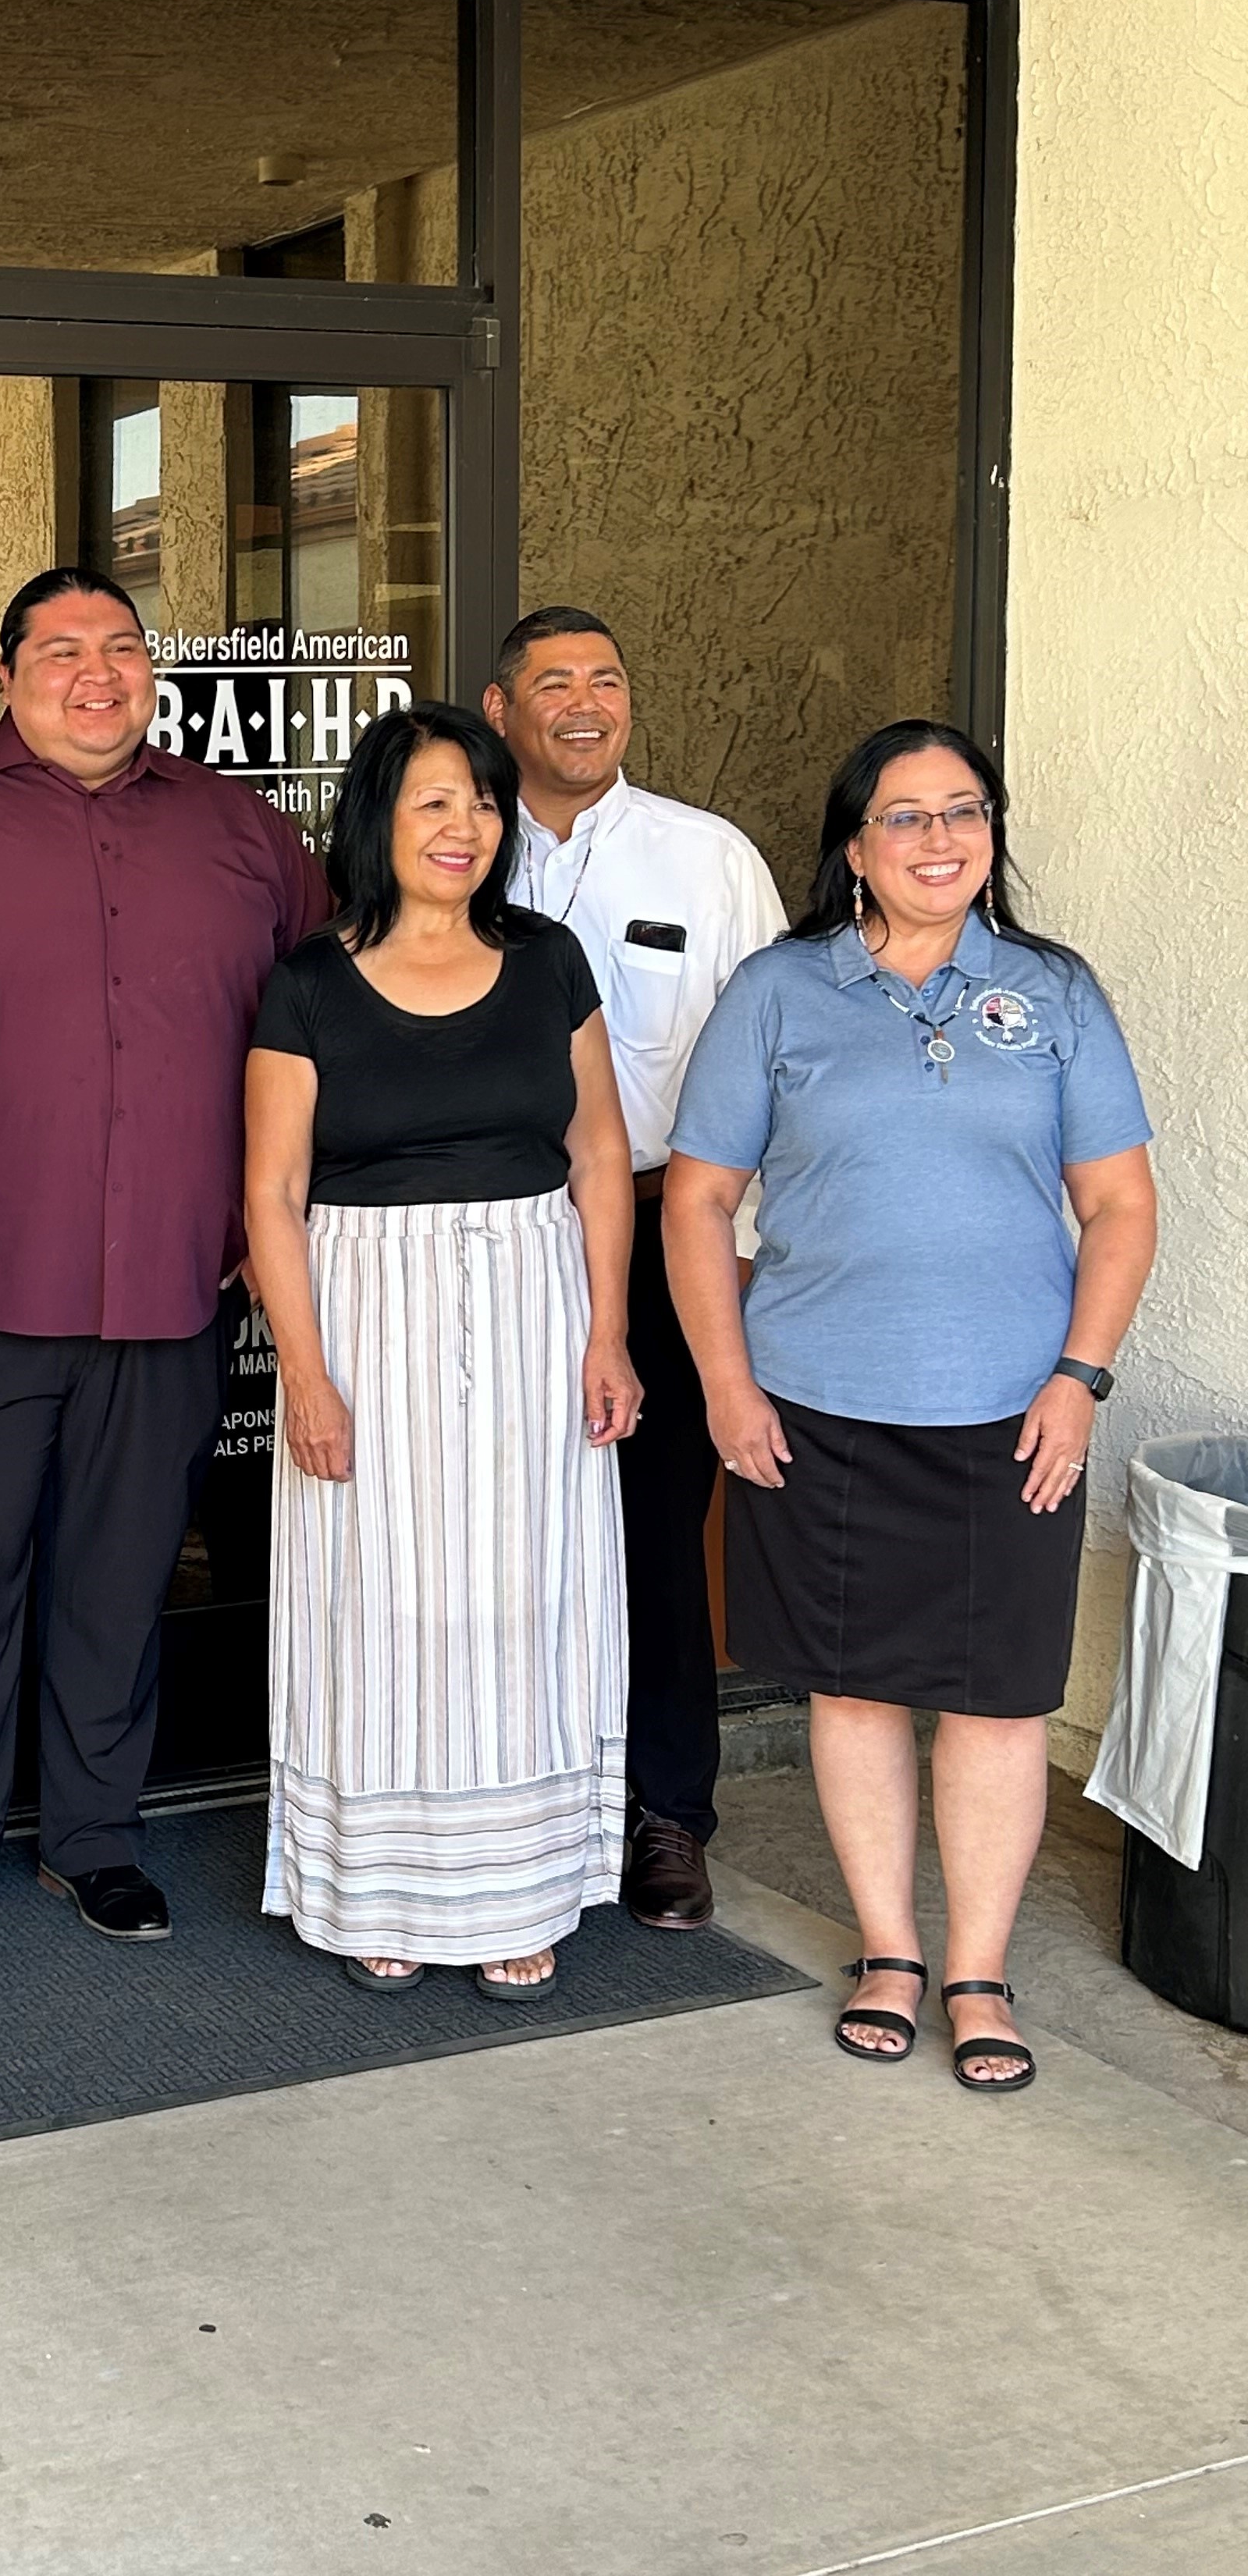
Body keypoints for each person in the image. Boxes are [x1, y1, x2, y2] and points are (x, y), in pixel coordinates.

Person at [0, 566, 328, 1967]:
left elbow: (321, 1036)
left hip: (171, 1284)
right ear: (8, 675)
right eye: (61, 651)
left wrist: (254, 1228)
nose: (96, 674)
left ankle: (96, 1841)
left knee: (120, 1579)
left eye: (121, 648)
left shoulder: (245, 836)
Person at [666, 720, 1157, 2092]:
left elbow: (1119, 1204)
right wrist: (725, 1381)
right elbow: (699, 1199)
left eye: (964, 812)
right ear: (853, 848)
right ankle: (889, 1950)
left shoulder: (1055, 993)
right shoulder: (779, 993)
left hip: (1013, 1412)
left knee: (998, 1702)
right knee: (857, 1688)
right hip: (816, 1404)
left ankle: (980, 1970)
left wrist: (1081, 1379)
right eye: (906, 817)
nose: (940, 840)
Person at [246, 702, 639, 1995]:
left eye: (479, 801)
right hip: (367, 1316)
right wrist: (305, 1373)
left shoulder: (549, 963)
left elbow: (596, 1156)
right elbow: (272, 1193)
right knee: (380, 1599)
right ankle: (385, 1892)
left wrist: (610, 1332)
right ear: (379, 821)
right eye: (432, 802)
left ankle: (516, 1888)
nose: (462, 826)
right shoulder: (306, 982)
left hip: (534, 1309)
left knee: (527, 1593)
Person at [483, 605, 785, 1933]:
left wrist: (744, 1266)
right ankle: (512, 1802)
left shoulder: (707, 860)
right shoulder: (455, 846)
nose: (586, 701)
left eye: (608, 677)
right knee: (498, 1534)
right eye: (555, 682)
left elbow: (775, 1065)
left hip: (665, 1239)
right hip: (488, 1244)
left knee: (655, 1543)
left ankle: (668, 1817)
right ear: (502, 710)